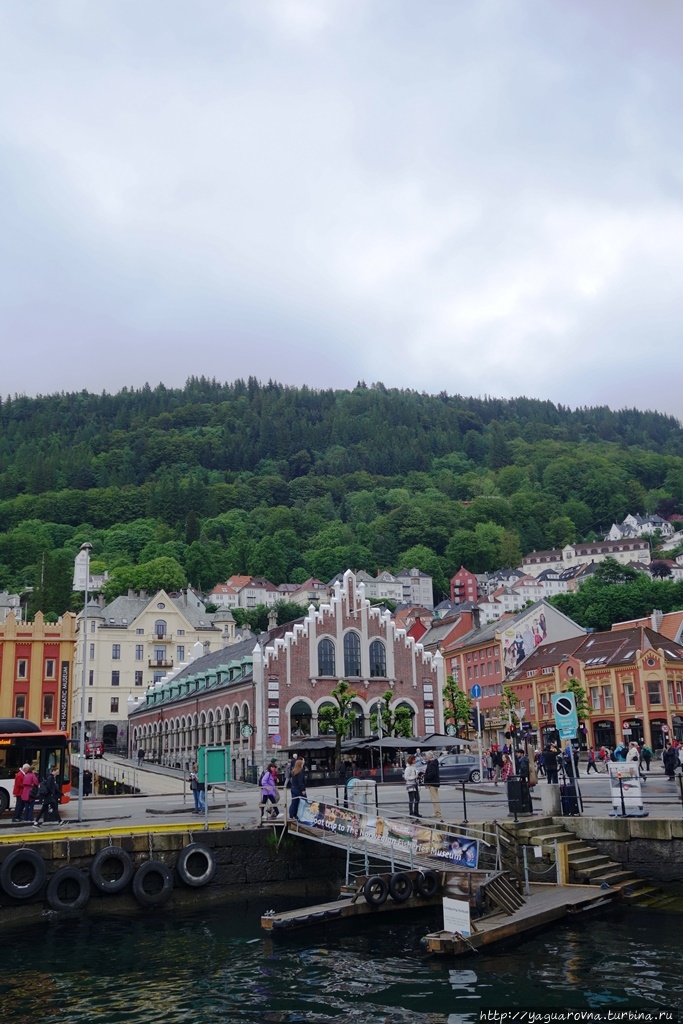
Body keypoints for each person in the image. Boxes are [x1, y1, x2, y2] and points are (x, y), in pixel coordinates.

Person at [423, 752, 442, 820]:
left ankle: (437, 812)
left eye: (426, 756)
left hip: (432, 783)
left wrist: (427, 777)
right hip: (435, 782)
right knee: (435, 797)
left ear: (429, 757)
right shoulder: (434, 763)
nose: (425, 758)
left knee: (434, 798)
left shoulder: (432, 764)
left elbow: (432, 773)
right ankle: (437, 811)